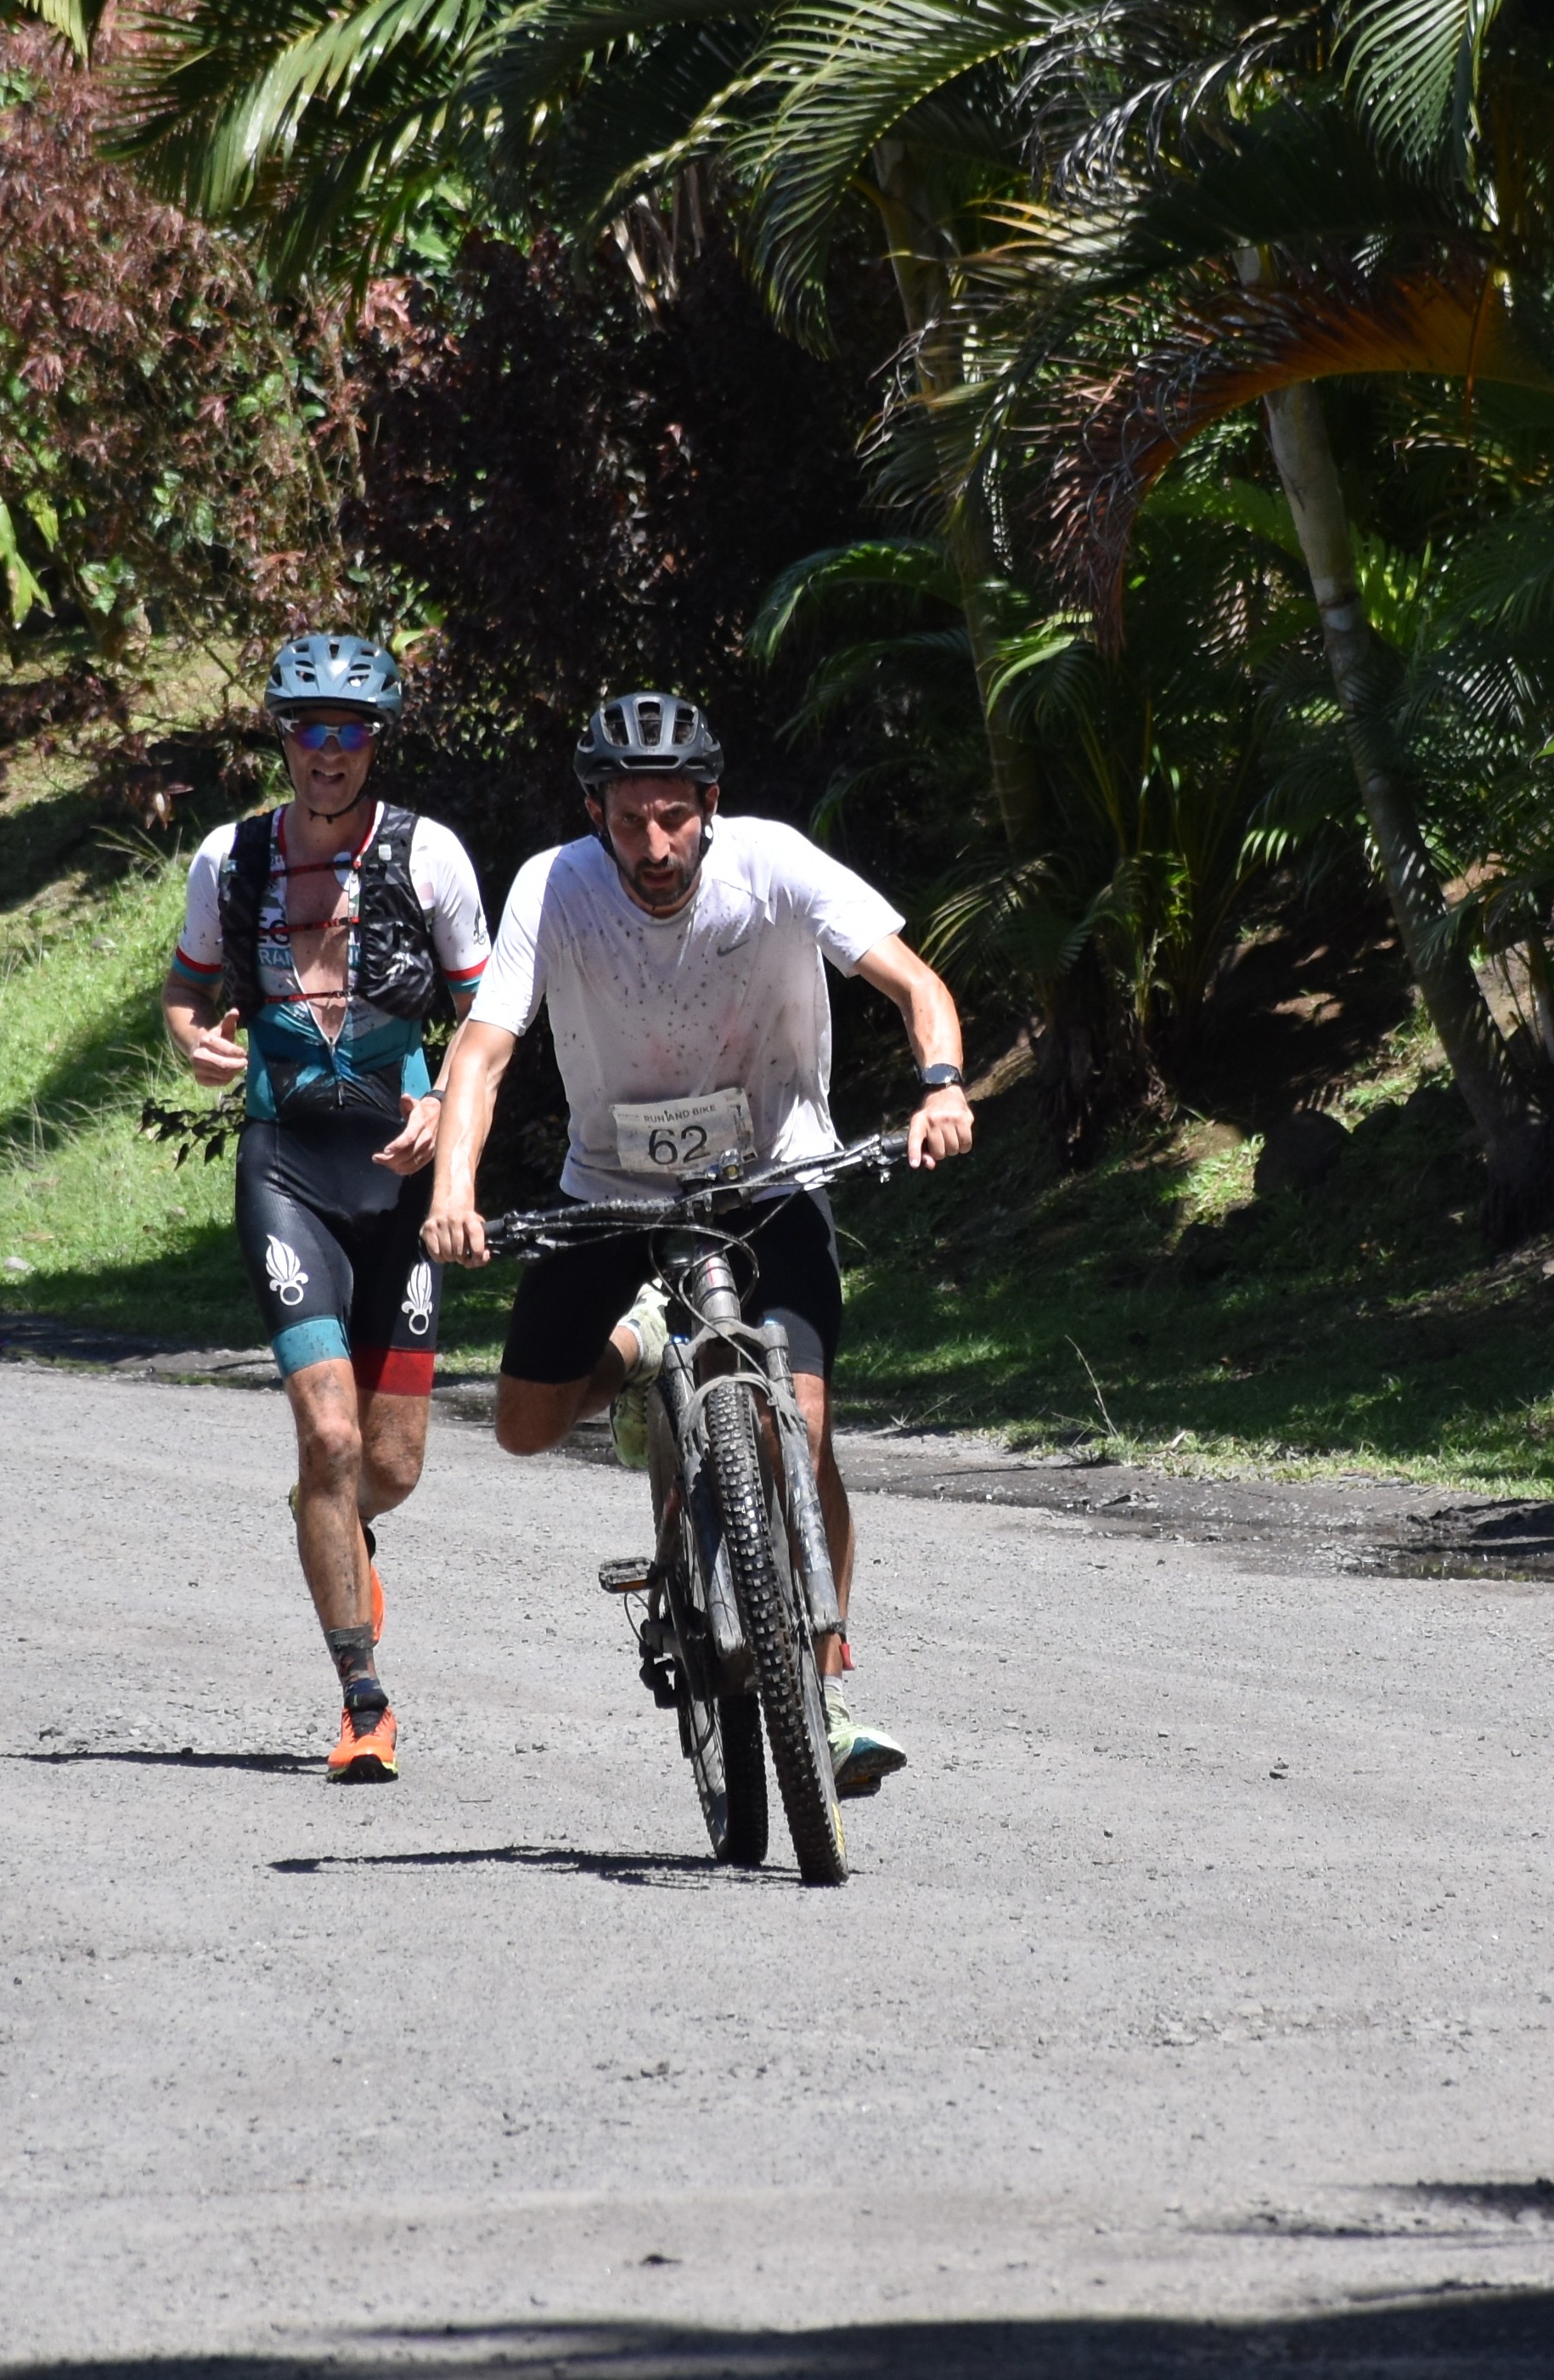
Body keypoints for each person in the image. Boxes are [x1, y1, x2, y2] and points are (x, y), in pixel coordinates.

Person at [422, 690, 977, 1799]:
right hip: (613, 1196)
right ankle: (638, 1359)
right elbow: (483, 1052)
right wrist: (454, 1187)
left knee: (803, 1432)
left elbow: (915, 983)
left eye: (674, 816)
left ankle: (826, 1695)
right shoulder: (556, 887)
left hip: (773, 1181)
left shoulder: (772, 865)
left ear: (710, 804)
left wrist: (942, 1086)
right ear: (595, 813)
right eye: (630, 822)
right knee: (528, 1427)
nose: (655, 846)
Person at [160, 634, 491, 1782]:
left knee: (387, 1468)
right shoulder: (231, 858)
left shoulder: (428, 855)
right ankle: (362, 1698)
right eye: (310, 731)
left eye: (350, 733)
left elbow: (487, 1019)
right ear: (283, 738)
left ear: (376, 742)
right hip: (287, 1172)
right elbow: (185, 985)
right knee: (330, 1436)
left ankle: (339, 1521)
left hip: (398, 1189)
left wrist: (446, 1104)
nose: (329, 754)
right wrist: (194, 1040)